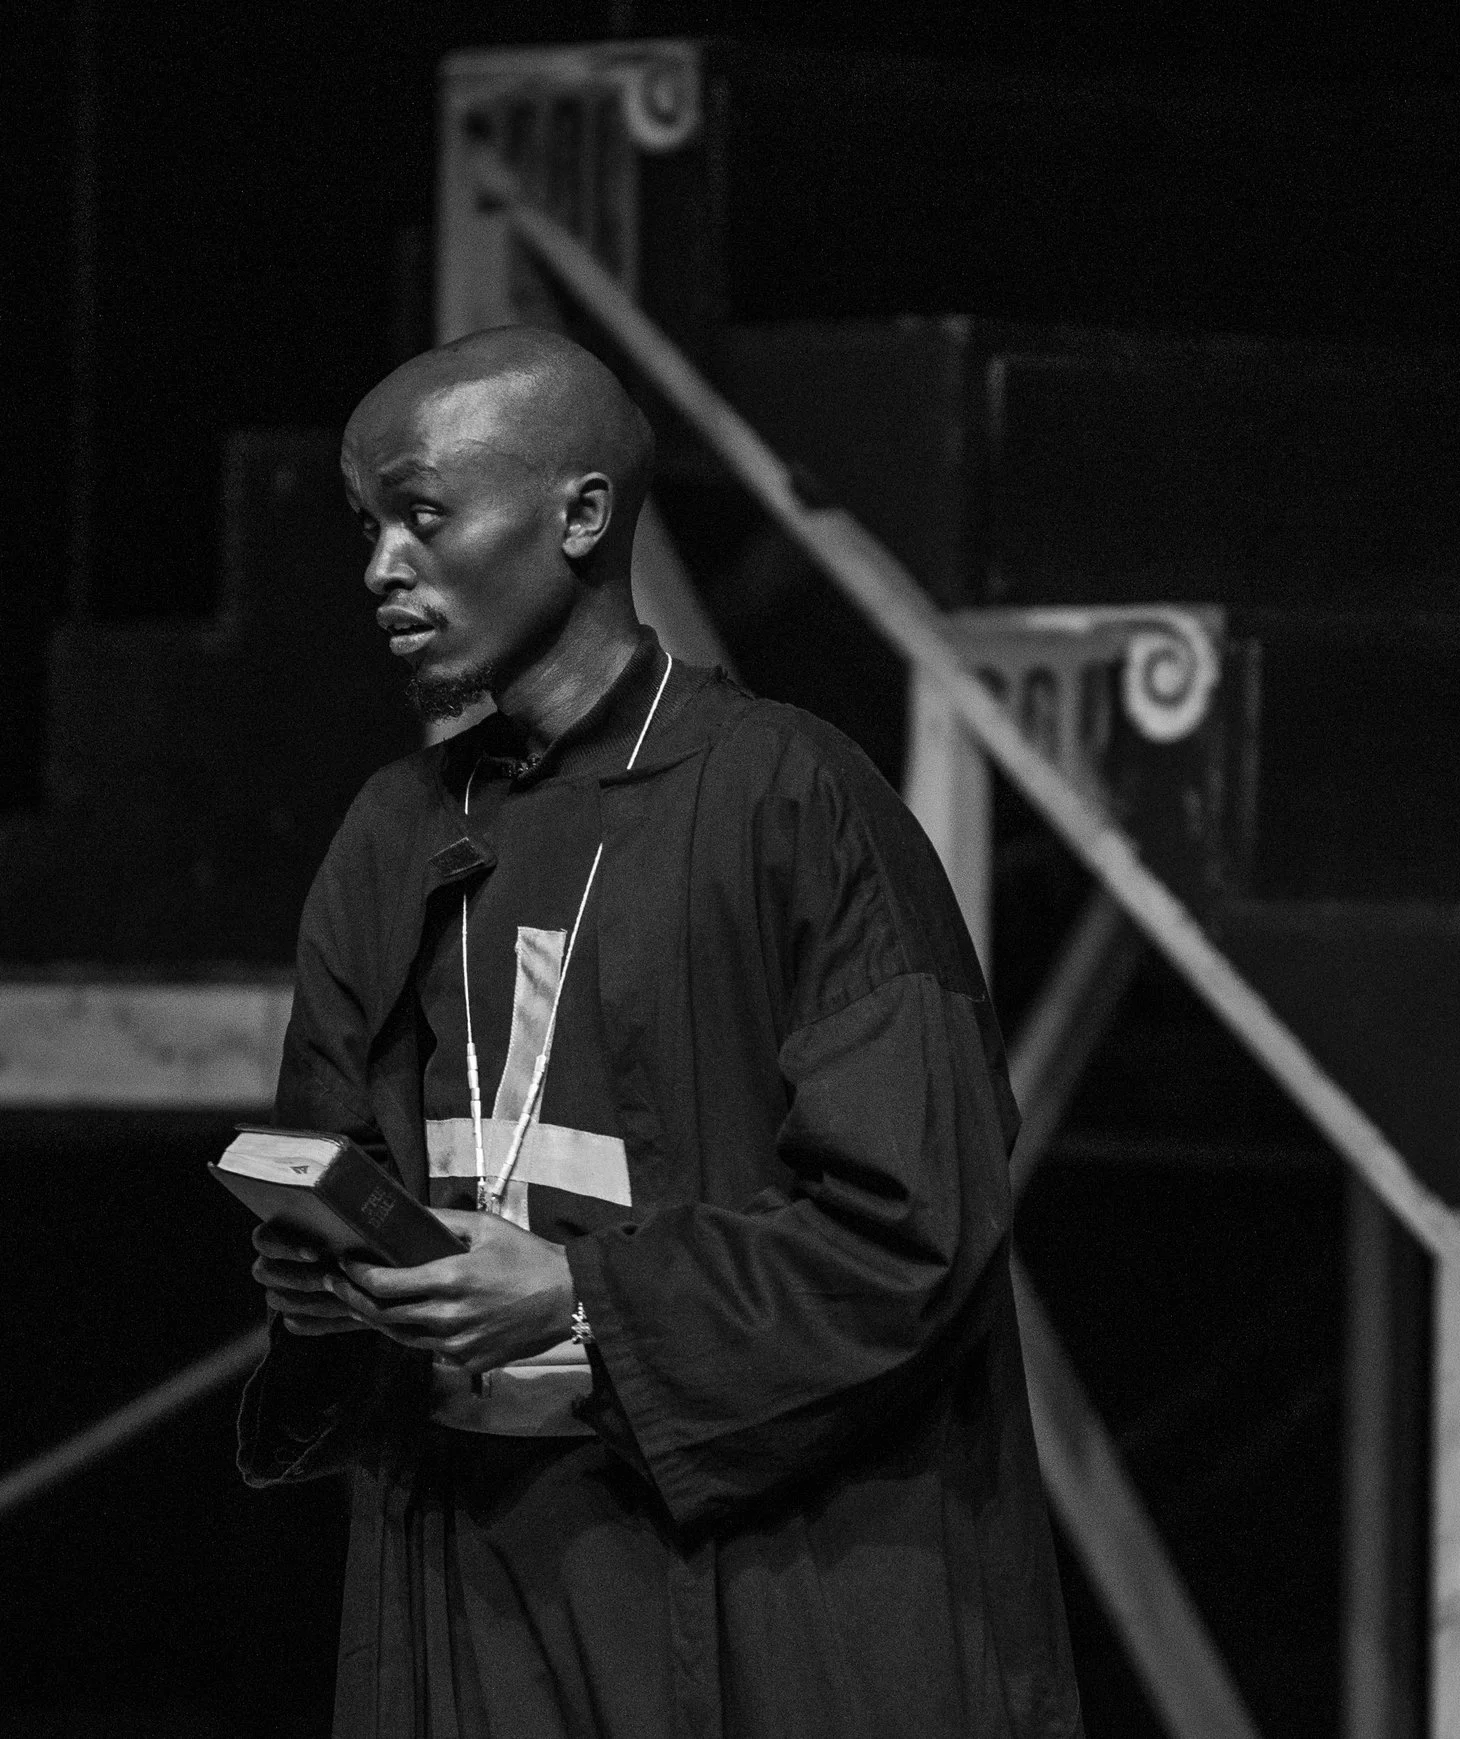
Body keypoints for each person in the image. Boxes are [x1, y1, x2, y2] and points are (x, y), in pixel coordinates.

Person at [239, 325, 1083, 1738]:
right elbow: (338, 1147)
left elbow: (917, 1229)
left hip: (744, 1569)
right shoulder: (396, 831)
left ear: (579, 513)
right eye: (366, 525)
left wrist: (574, 1296)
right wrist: (330, 1269)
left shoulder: (786, 798)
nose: (381, 566)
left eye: (423, 516)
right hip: (474, 1564)